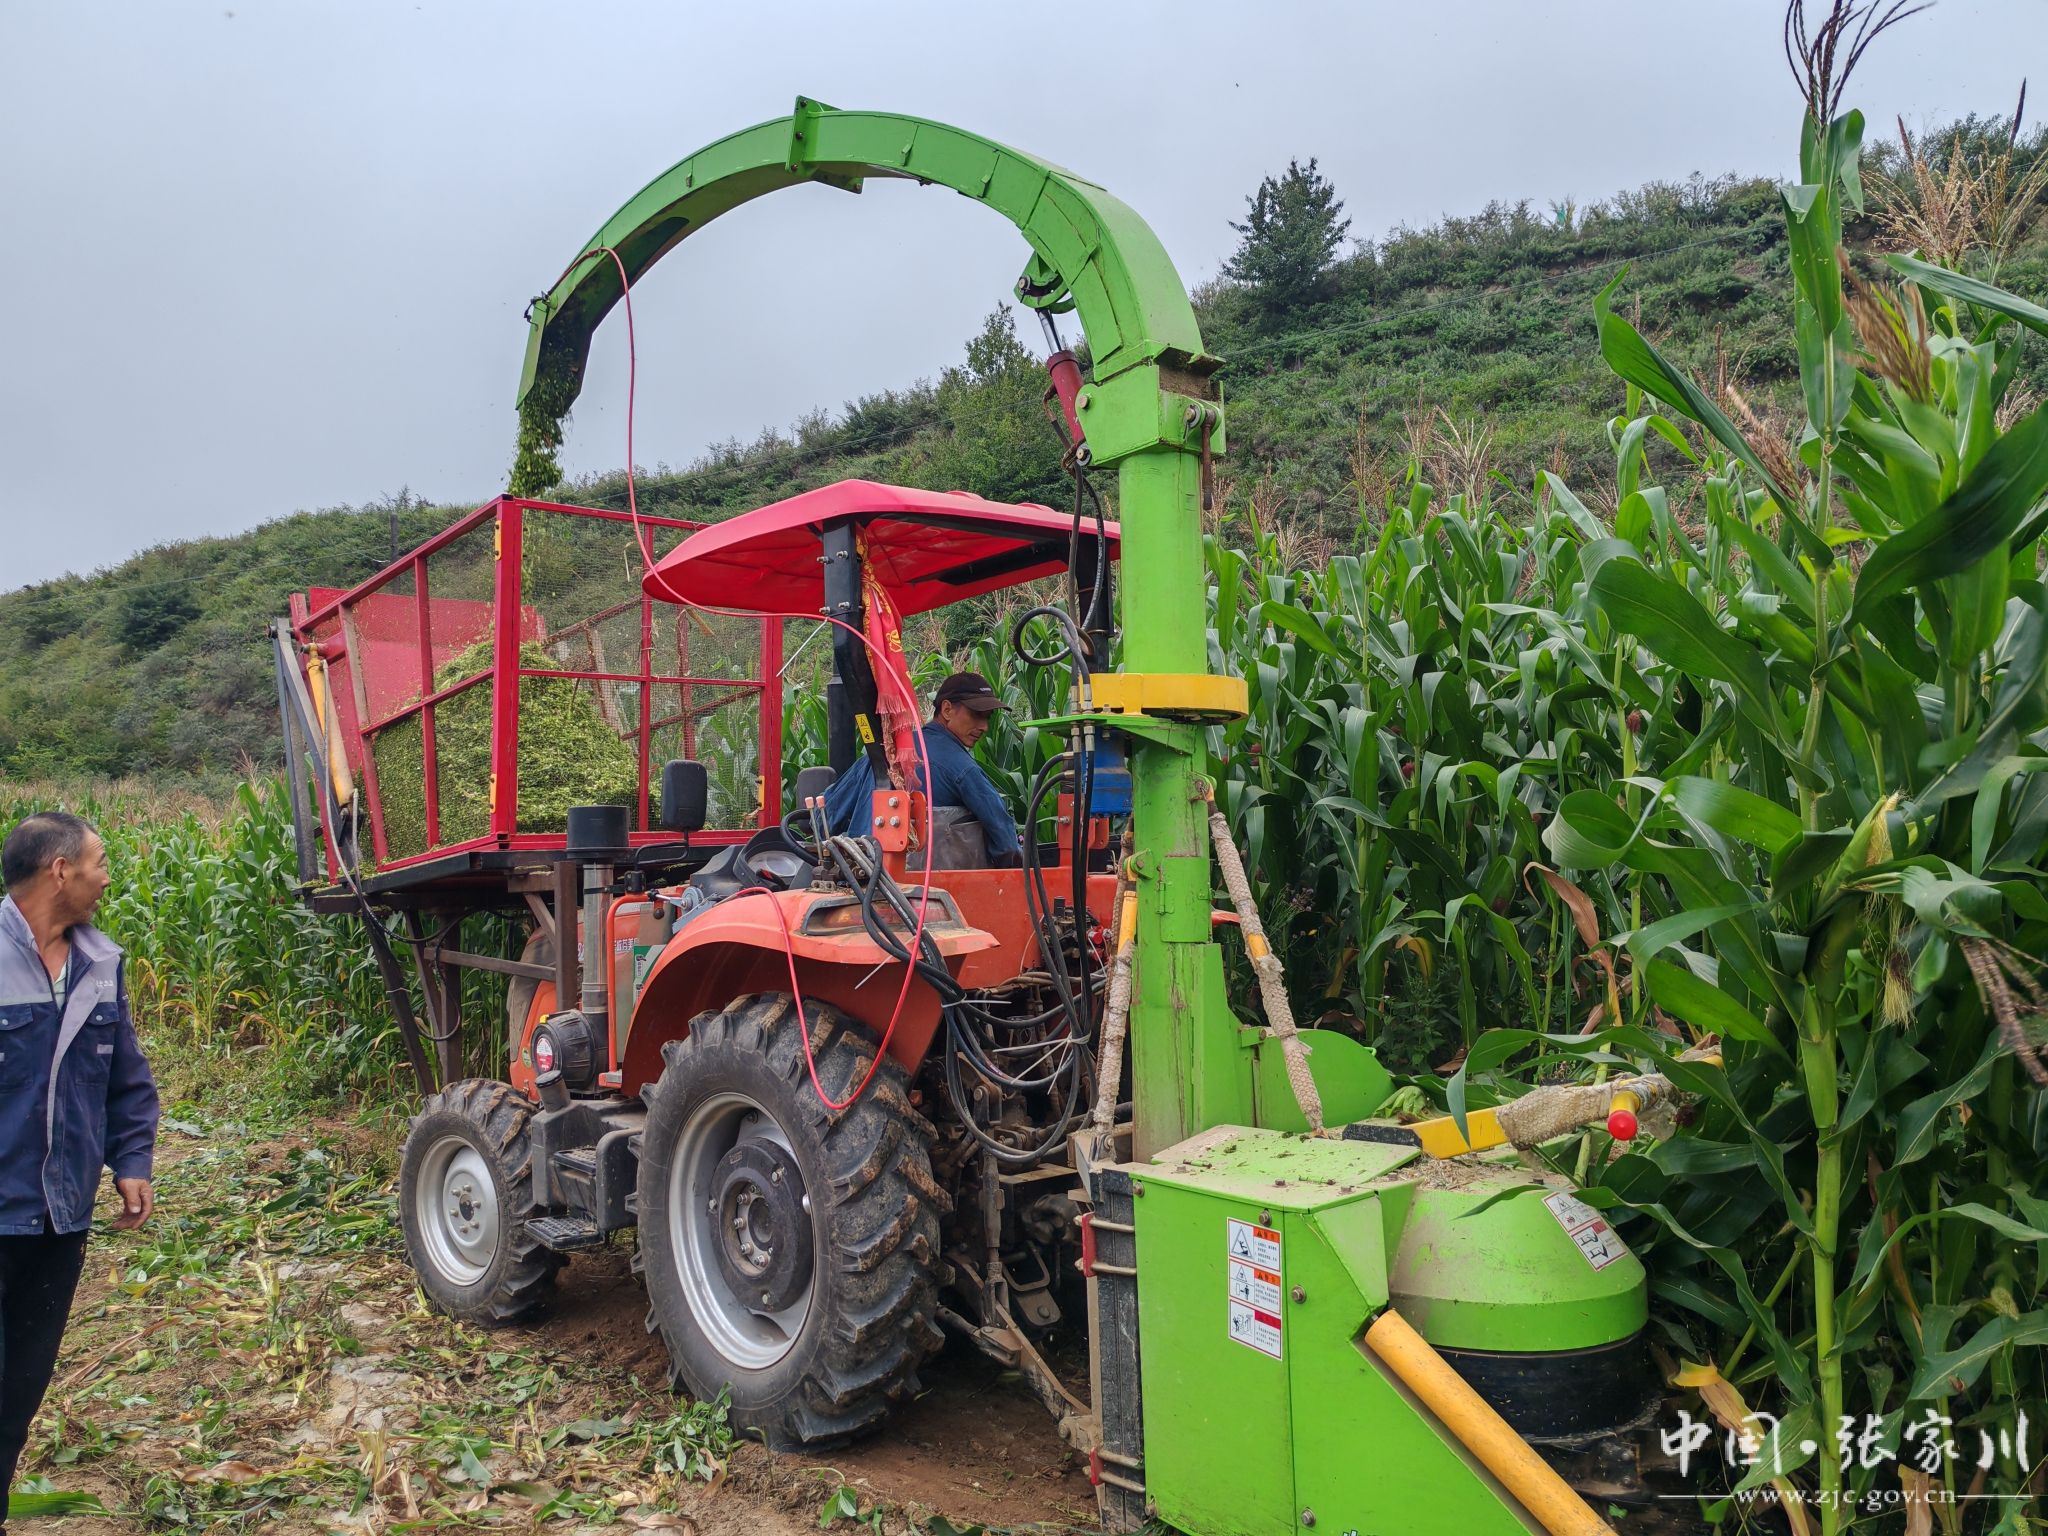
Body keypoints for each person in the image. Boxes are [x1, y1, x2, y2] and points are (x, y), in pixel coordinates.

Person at [0, 813, 158, 1534]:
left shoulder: (99, 964)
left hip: (59, 1218)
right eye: (98, 862)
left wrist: (131, 1159)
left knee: (18, 1393)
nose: (105, 877)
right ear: (59, 870)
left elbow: (126, 1076)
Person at [824, 671, 1022, 867]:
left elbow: (826, 816)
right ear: (947, 710)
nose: (984, 726)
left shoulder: (881, 753)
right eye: (976, 715)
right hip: (929, 884)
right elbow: (1007, 844)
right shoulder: (963, 769)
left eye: (987, 718)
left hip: (859, 876)